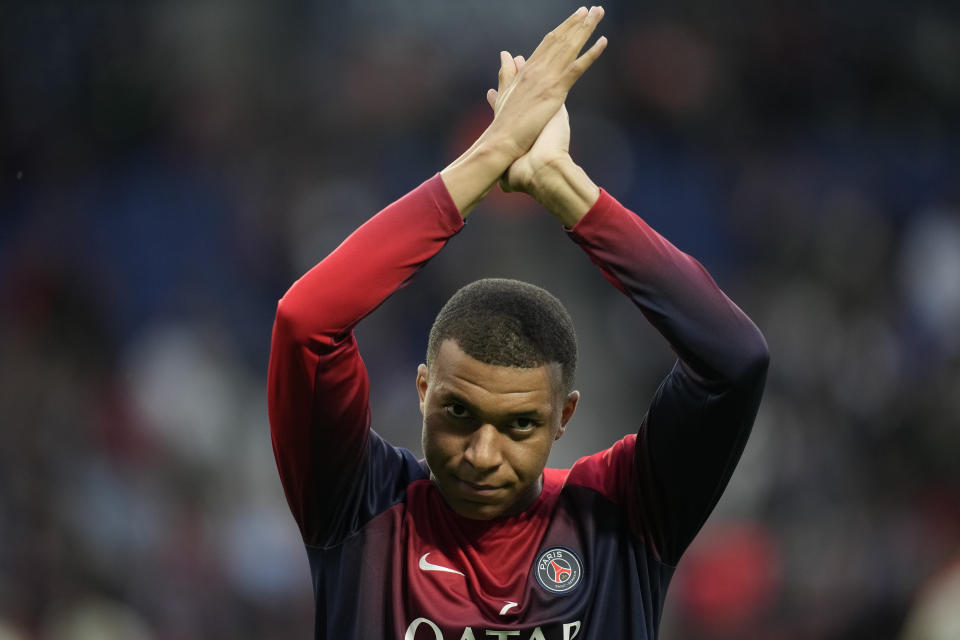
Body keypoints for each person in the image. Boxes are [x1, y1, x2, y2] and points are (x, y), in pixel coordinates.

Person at [267, 6, 769, 639]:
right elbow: (305, 321)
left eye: (520, 425)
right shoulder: (359, 504)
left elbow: (735, 359)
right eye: (458, 413)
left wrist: (563, 189)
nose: (482, 454)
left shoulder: (621, 514)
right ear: (425, 391)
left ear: (565, 417)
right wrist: (490, 156)